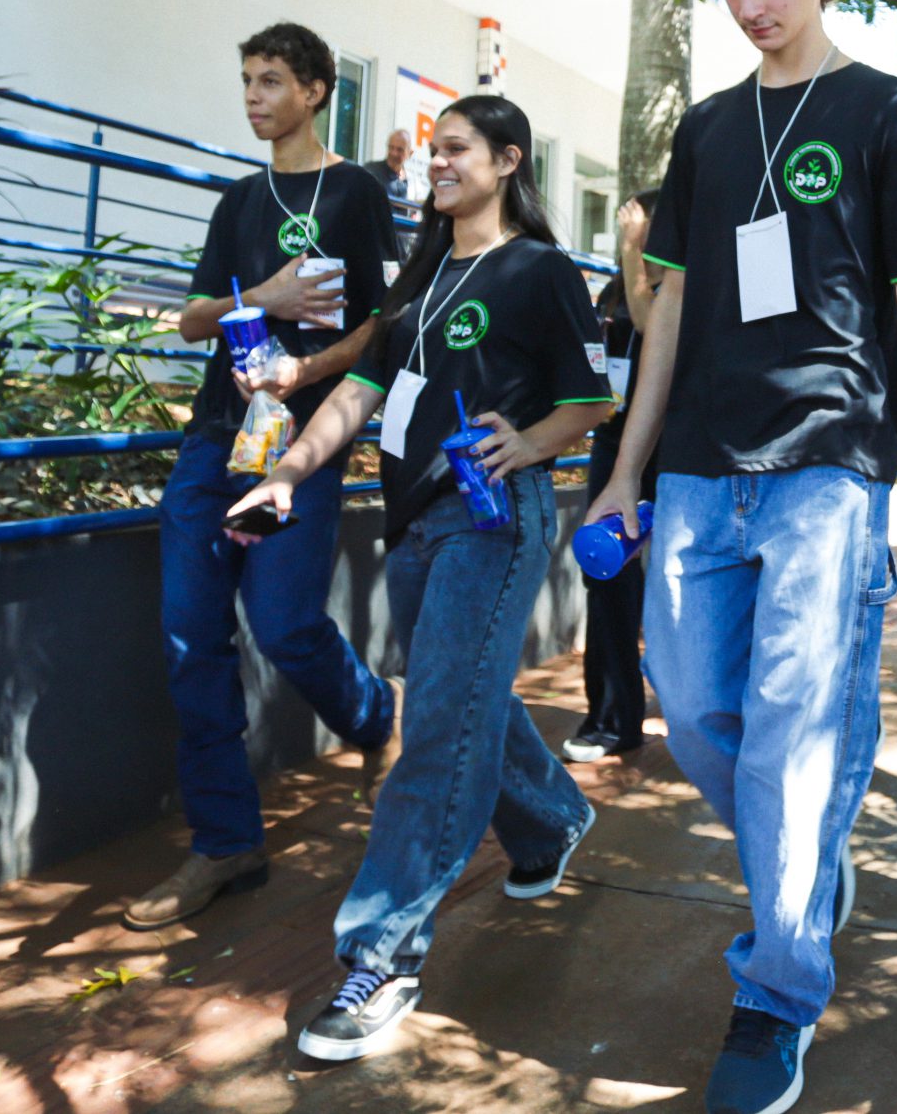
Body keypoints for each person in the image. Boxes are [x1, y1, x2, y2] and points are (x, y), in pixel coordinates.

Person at [585, 0, 897, 1114]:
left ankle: (777, 984)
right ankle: (800, 868)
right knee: (697, 715)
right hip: (699, 464)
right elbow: (669, 309)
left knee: (795, 729)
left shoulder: (888, 113)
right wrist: (625, 469)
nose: (751, 6)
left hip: (828, 465)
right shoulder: (706, 131)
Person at [232, 95, 617, 1060]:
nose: (435, 163)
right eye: (433, 151)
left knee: (438, 723)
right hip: (412, 524)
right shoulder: (421, 275)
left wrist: (529, 442)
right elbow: (361, 391)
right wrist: (286, 474)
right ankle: (551, 819)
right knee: (465, 692)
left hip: (491, 519)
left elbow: (592, 398)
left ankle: (383, 953)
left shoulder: (541, 269)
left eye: (456, 149)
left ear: (508, 160)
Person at [130, 24, 400, 930]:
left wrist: (303, 369)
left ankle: (375, 714)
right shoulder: (239, 199)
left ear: (316, 90)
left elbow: (382, 326)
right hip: (215, 441)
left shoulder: (356, 192)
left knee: (283, 623)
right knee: (190, 639)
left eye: (272, 79)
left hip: (300, 444)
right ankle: (225, 842)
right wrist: (264, 299)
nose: (253, 95)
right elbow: (190, 320)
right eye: (247, 78)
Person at [565, 187, 660, 764]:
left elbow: (651, 325)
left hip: (673, 447)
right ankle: (612, 715)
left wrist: (632, 250)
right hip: (613, 442)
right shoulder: (614, 289)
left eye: (639, 219)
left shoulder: (679, 286)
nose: (629, 223)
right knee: (605, 573)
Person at [363, 127, 415, 202]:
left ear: (410, 153)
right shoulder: (370, 171)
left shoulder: (412, 182)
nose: (394, 153)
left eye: (400, 150)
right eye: (391, 147)